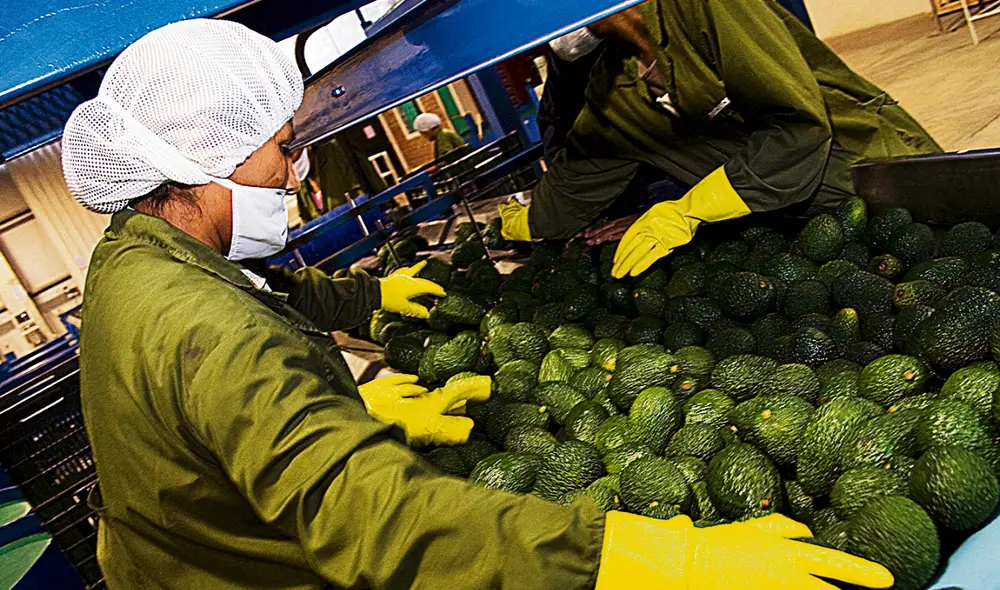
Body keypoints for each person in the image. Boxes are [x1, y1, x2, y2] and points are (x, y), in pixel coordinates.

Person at [62, 18, 895, 589]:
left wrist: (344, 373)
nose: (294, 173)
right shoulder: (213, 332)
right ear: (206, 162)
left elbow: (261, 298)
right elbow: (382, 525)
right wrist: (633, 560)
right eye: (282, 150)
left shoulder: (135, 260)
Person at [500, 0, 942, 278]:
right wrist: (521, 220)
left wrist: (688, 211)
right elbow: (578, 175)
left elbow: (797, 128)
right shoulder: (612, 92)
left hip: (885, 182)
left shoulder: (709, 7)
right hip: (806, 229)